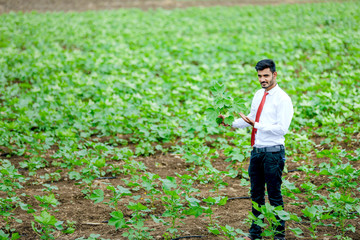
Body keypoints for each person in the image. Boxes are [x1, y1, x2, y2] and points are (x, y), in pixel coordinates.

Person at [219, 59, 293, 240]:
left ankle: (278, 235)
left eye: (266, 76)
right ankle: (255, 233)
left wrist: (257, 124)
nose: (262, 79)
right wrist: (230, 123)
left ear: (275, 75)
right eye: (260, 76)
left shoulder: (283, 99)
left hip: (273, 153)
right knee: (256, 194)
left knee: (274, 195)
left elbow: (282, 128)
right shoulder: (258, 94)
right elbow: (251, 118)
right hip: (257, 152)